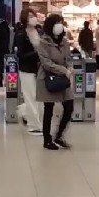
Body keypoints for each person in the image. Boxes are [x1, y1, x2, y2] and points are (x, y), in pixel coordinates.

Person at [37, 13, 75, 151]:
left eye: (61, 22)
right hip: (49, 78)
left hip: (63, 78)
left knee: (69, 107)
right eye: (57, 22)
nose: (59, 25)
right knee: (49, 109)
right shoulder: (43, 41)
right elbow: (46, 63)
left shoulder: (64, 41)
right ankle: (47, 140)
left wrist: (70, 67)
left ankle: (58, 135)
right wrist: (63, 70)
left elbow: (68, 57)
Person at [13, 8, 44, 136]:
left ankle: (25, 112)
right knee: (30, 96)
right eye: (30, 16)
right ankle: (34, 125)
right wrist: (36, 53)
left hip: (40, 69)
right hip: (26, 69)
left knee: (40, 97)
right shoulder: (20, 34)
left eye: (34, 15)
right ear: (24, 18)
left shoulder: (40, 32)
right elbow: (19, 54)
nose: (33, 18)